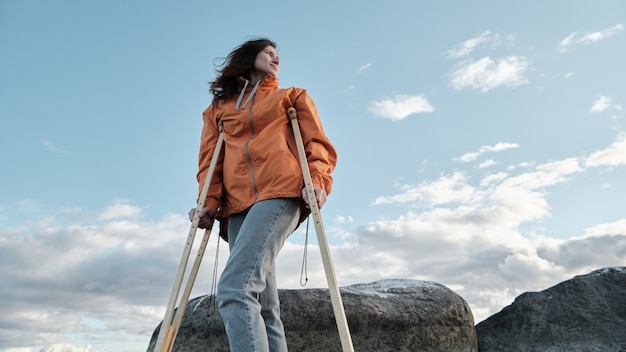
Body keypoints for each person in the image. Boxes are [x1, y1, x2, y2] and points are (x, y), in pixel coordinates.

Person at [188, 37, 337, 352]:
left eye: (278, 54)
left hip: (280, 191)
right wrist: (208, 203)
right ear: (248, 57)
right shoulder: (218, 110)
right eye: (268, 52)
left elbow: (316, 145)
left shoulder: (292, 97)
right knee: (265, 307)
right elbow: (209, 162)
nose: (276, 58)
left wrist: (318, 180)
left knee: (235, 289)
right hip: (237, 207)